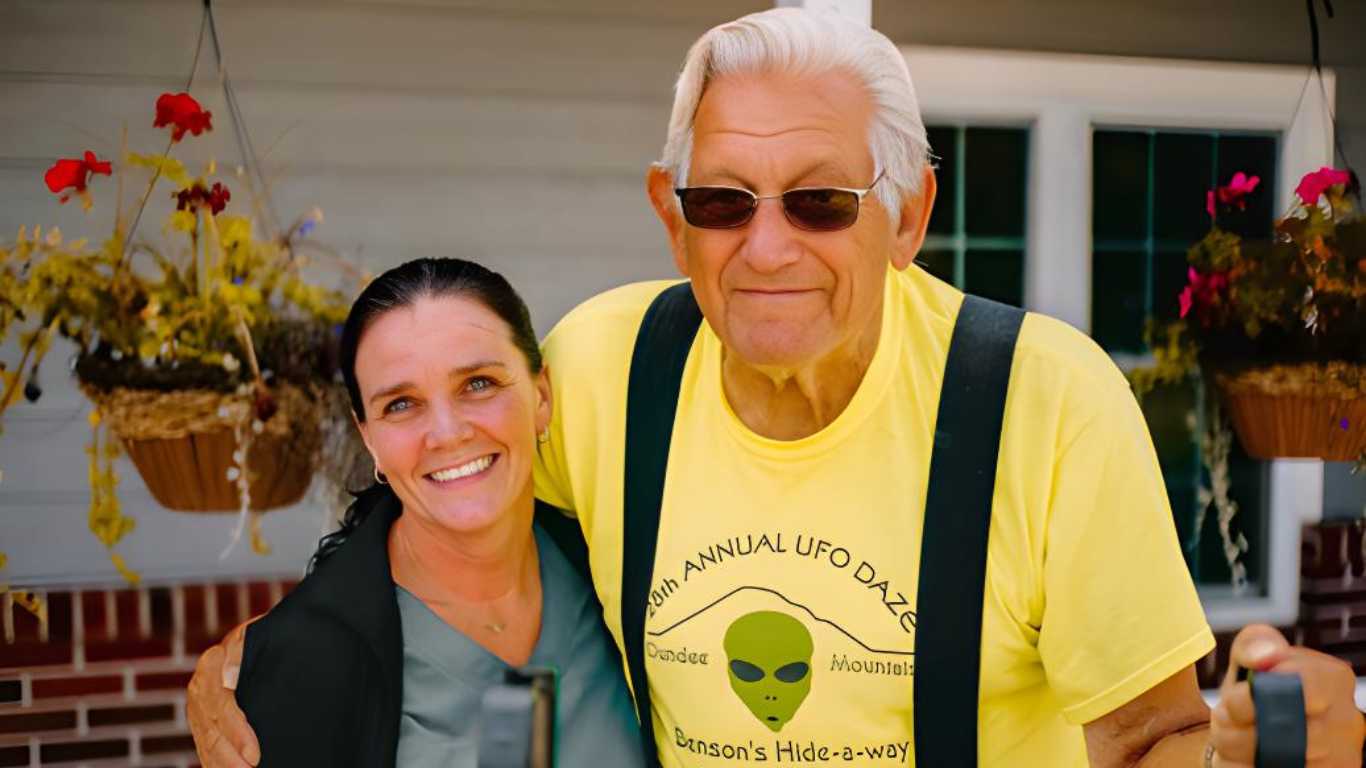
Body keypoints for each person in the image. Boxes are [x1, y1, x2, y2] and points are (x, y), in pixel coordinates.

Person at [188, 9, 1366, 767]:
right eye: (721, 201)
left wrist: (1246, 750)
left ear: (907, 215)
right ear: (671, 214)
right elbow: (441, 507)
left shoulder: (1044, 403)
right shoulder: (603, 369)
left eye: (818, 201)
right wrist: (264, 654)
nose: (765, 248)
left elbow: (1148, 734)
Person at [224, 258, 645, 767]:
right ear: (368, 438)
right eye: (401, 404)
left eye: (478, 384)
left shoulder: (614, 570)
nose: (447, 433)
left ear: (541, 395)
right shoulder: (309, 660)